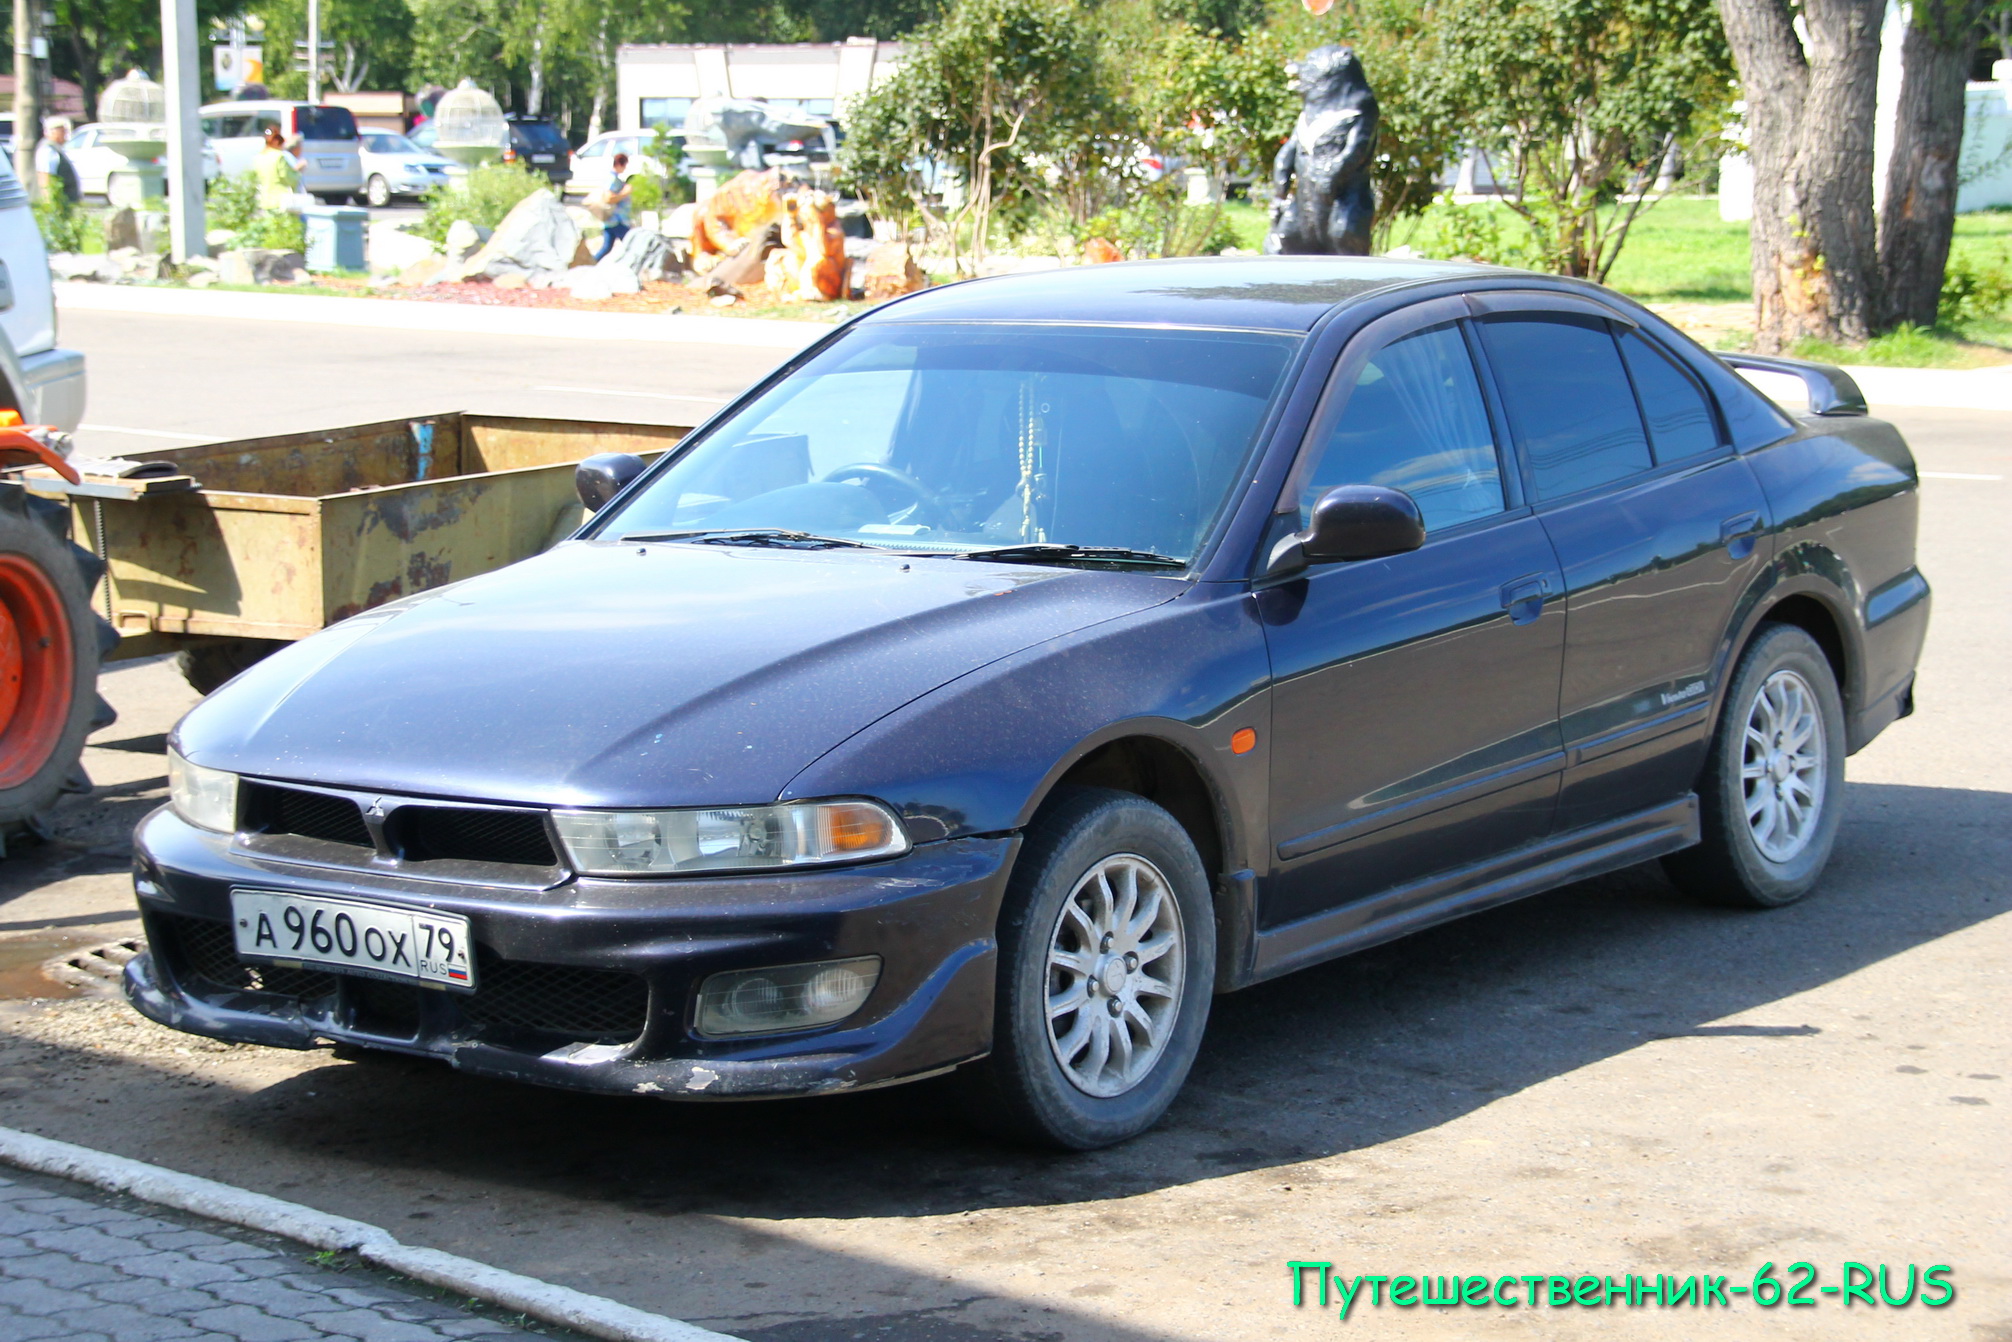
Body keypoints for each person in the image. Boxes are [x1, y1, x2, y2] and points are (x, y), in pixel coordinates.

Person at [594, 152, 634, 262]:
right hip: (617, 220)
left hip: (612, 220)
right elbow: (609, 198)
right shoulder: (612, 179)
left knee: (607, 247)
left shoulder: (613, 178)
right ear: (620, 164)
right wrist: (625, 193)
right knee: (631, 245)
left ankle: (590, 263)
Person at [253, 125, 301, 210]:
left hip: (265, 201)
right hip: (281, 202)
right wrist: (298, 172)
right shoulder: (279, 157)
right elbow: (290, 179)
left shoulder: (259, 157)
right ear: (275, 141)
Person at [34, 117, 79, 202]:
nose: (66, 135)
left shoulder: (56, 149)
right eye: (63, 131)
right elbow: (45, 177)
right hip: (59, 205)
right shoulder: (47, 150)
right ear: (52, 132)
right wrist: (49, 203)